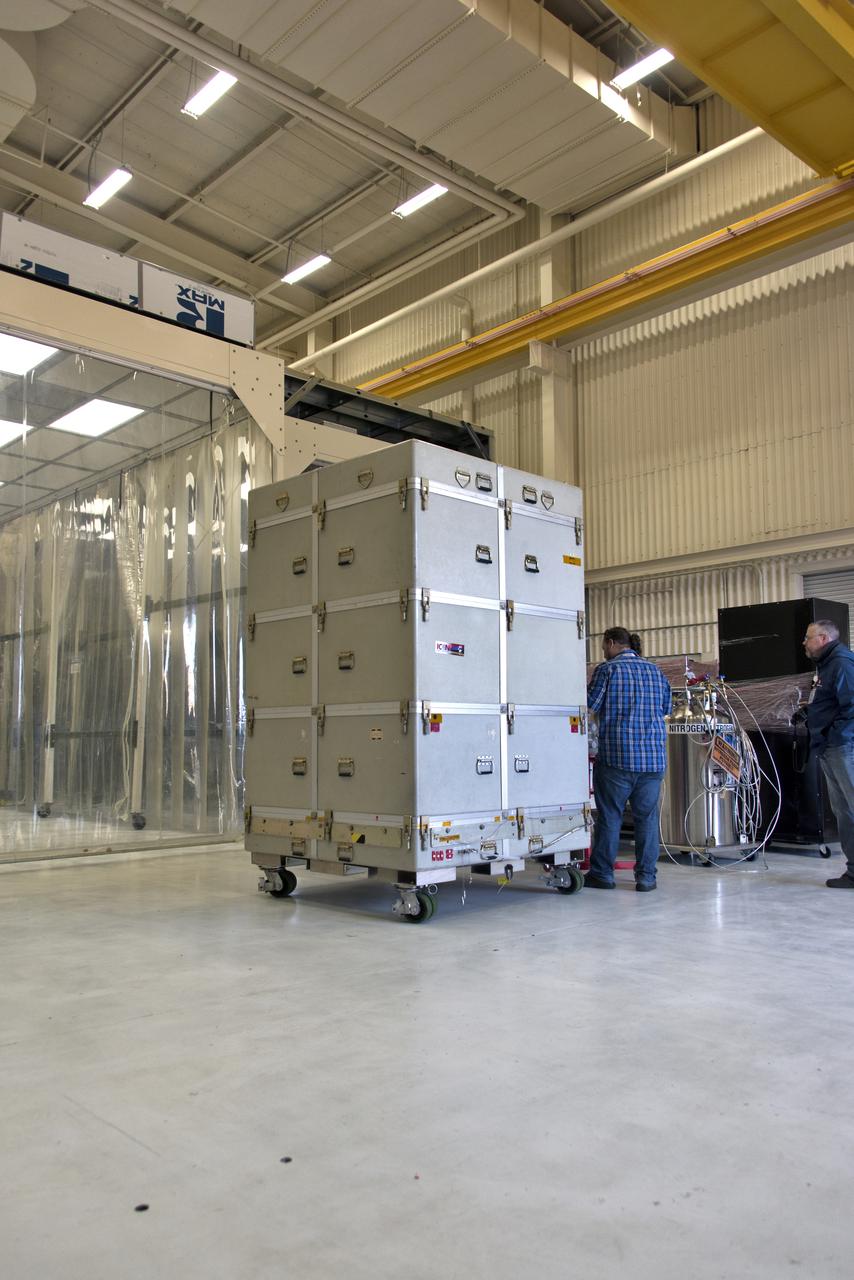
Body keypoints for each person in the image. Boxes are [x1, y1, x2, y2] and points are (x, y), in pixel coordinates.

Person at [586, 627, 672, 892]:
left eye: (604, 645)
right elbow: (666, 708)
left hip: (617, 758)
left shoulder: (607, 670)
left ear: (612, 643)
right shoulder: (656, 671)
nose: (603, 651)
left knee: (610, 816)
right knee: (646, 819)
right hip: (653, 761)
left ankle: (602, 874)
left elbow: (589, 705)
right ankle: (646, 877)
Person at [803, 619, 854, 888]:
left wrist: (834, 735)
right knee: (844, 811)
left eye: (808, 637)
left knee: (851, 808)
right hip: (830, 746)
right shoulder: (826, 665)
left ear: (823, 639)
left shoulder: (842, 663)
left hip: (843, 747)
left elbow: (852, 707)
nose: (804, 642)